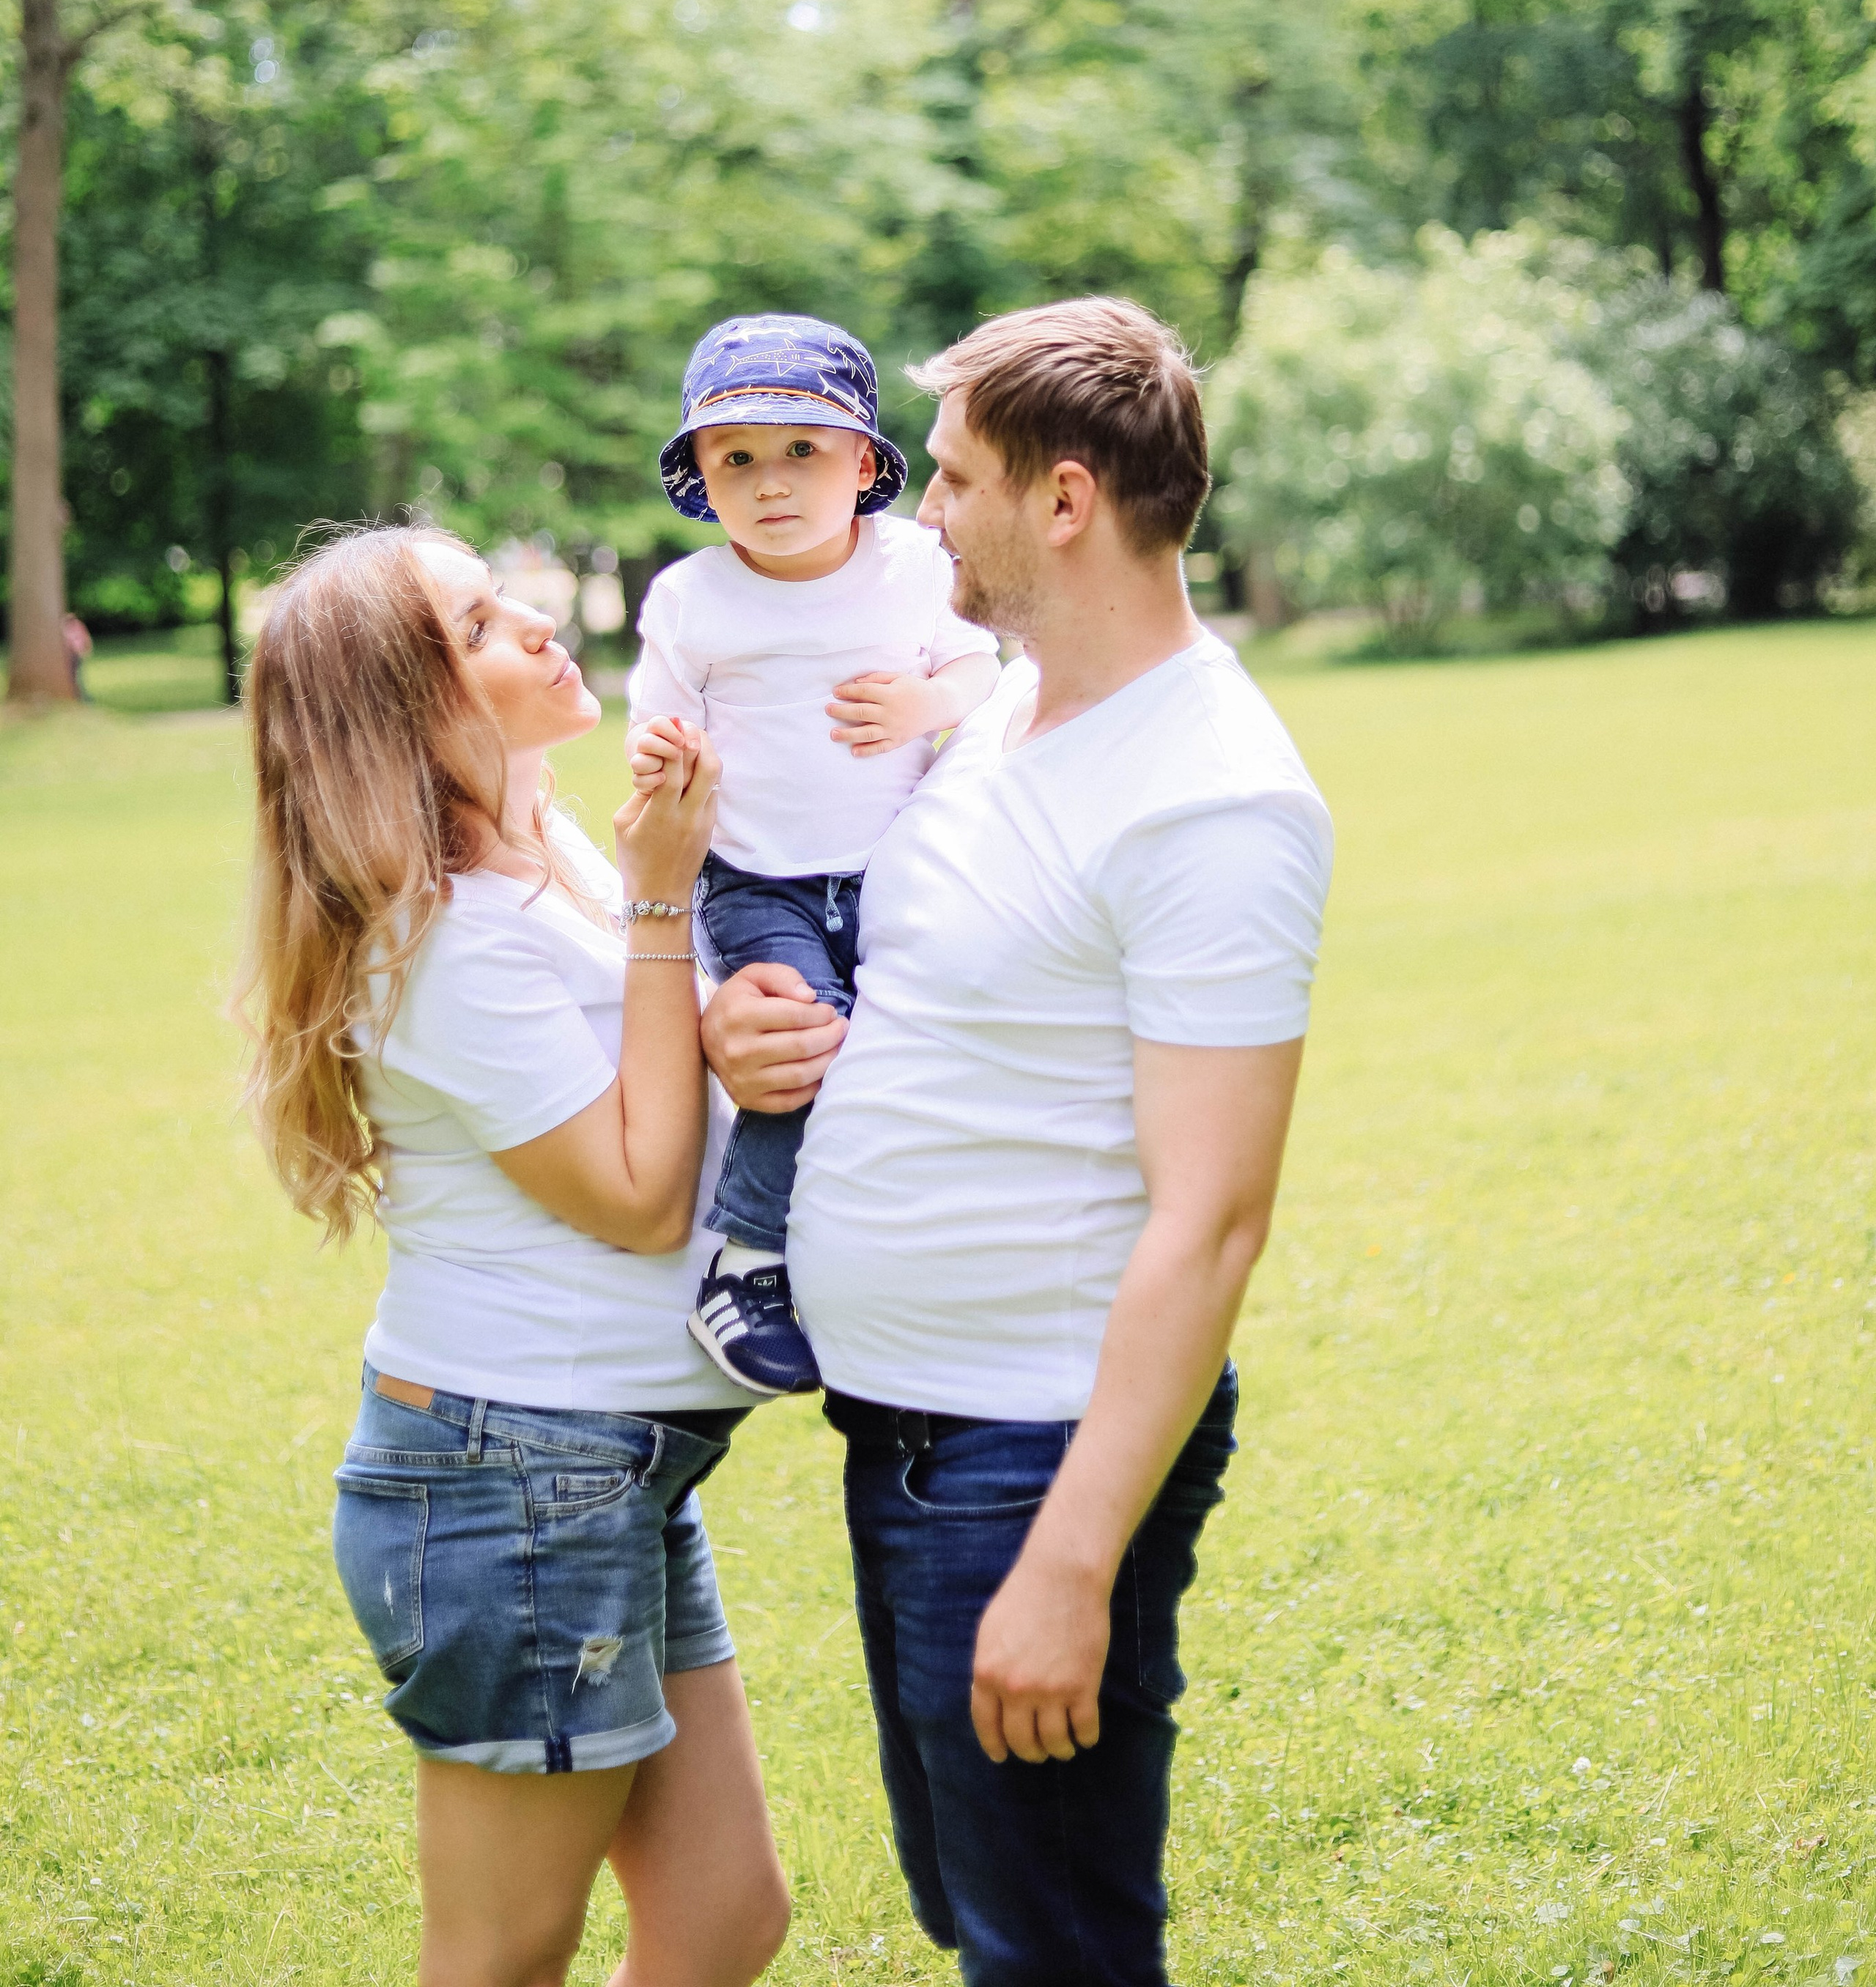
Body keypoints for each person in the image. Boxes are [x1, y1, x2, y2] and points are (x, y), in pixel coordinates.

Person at [701, 297, 1335, 1987]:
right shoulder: (996, 710)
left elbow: (1210, 1222)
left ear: (1063, 501)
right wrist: (746, 1034)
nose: (923, 516)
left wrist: (1069, 1562)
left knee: (1050, 1949)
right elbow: (906, 986)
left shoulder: (1211, 797)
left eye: (955, 479)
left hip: (1030, 1457)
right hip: (902, 1433)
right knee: (976, 1910)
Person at [236, 525, 795, 1987]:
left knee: (723, 1919)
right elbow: (634, 1194)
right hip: (511, 1480)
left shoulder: (551, 868)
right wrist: (670, 894)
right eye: (482, 623)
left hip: (604, 1468)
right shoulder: (443, 940)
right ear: (410, 711)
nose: (538, 625)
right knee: (499, 1960)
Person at [627, 315, 1000, 1396]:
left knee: (904, 1047)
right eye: (736, 458)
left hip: (894, 864)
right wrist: (662, 752)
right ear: (700, 474)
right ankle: (746, 1261)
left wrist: (926, 700)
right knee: (802, 1035)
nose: (771, 483)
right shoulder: (694, 601)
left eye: (803, 450)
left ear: (866, 464)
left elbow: (978, 672)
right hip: (756, 873)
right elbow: (652, 729)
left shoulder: (917, 568)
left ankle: (885, 1245)